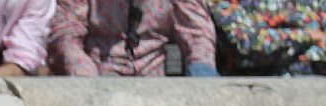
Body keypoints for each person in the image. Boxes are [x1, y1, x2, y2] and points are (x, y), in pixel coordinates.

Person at [49, 0, 219, 74]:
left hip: (156, 85)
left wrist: (202, 70)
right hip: (98, 74)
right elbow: (65, 34)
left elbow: (197, 33)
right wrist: (84, 75)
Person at [209, 0, 326, 71]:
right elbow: (246, 44)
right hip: (250, 95)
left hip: (317, 94)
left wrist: (277, 49)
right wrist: (307, 36)